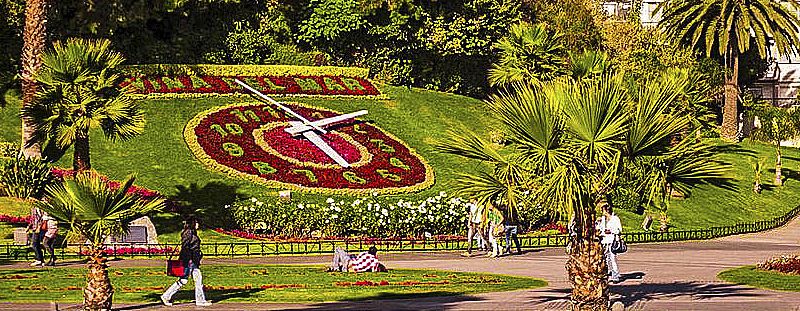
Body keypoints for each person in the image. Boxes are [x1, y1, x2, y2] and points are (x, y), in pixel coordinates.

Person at [161, 218, 211, 307]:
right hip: (189, 261)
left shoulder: (192, 232)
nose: (198, 224)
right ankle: (166, 295)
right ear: (192, 223)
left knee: (196, 279)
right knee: (185, 280)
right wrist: (188, 259)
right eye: (196, 223)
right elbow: (185, 247)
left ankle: (200, 300)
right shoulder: (188, 233)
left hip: (192, 260)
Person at [596, 200, 622, 283]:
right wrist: (598, 223)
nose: (602, 212)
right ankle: (605, 274)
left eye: (603, 210)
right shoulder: (603, 219)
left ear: (607, 210)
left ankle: (615, 275)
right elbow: (600, 229)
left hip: (612, 240)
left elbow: (619, 230)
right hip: (604, 241)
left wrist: (611, 231)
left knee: (612, 258)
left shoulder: (615, 219)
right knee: (605, 258)